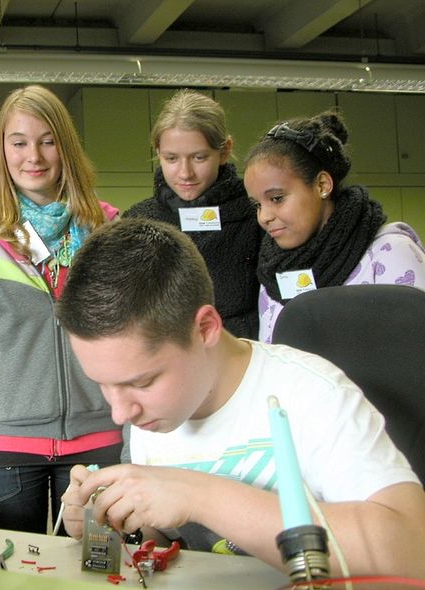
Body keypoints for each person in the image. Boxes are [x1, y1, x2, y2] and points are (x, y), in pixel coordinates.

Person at [54, 217, 425, 577]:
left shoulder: (313, 394)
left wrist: (199, 496)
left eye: (143, 381)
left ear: (205, 328)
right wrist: (110, 519)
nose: (120, 413)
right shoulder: (151, 415)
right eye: (104, 384)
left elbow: (413, 550)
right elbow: (172, 541)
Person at [0, 84, 122, 534]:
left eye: (47, 141)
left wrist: (139, 449)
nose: (33, 156)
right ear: (2, 152)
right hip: (6, 450)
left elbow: (136, 350)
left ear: (67, 147)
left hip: (100, 442)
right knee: (16, 568)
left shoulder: (109, 231)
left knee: (99, 568)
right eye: (18, 143)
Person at [243, 110, 425, 342]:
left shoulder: (390, 253)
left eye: (277, 198)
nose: (264, 217)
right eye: (257, 205)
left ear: (322, 185)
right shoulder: (272, 274)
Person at [124, 89, 261, 339]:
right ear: (158, 153)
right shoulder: (137, 221)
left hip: (240, 351)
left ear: (225, 151)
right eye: (171, 158)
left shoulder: (255, 216)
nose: (185, 173)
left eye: (199, 157)